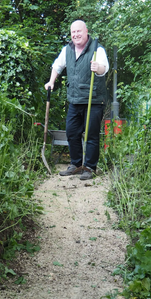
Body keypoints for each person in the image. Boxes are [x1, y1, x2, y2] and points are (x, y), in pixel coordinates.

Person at [44, 20, 109, 180]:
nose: (76, 35)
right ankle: (76, 164)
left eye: (79, 31)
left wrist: (97, 68)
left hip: (93, 100)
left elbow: (104, 68)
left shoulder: (97, 49)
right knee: (72, 132)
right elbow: (57, 66)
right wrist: (51, 81)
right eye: (73, 32)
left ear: (86, 31)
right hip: (75, 100)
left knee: (92, 135)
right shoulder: (67, 50)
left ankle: (89, 167)